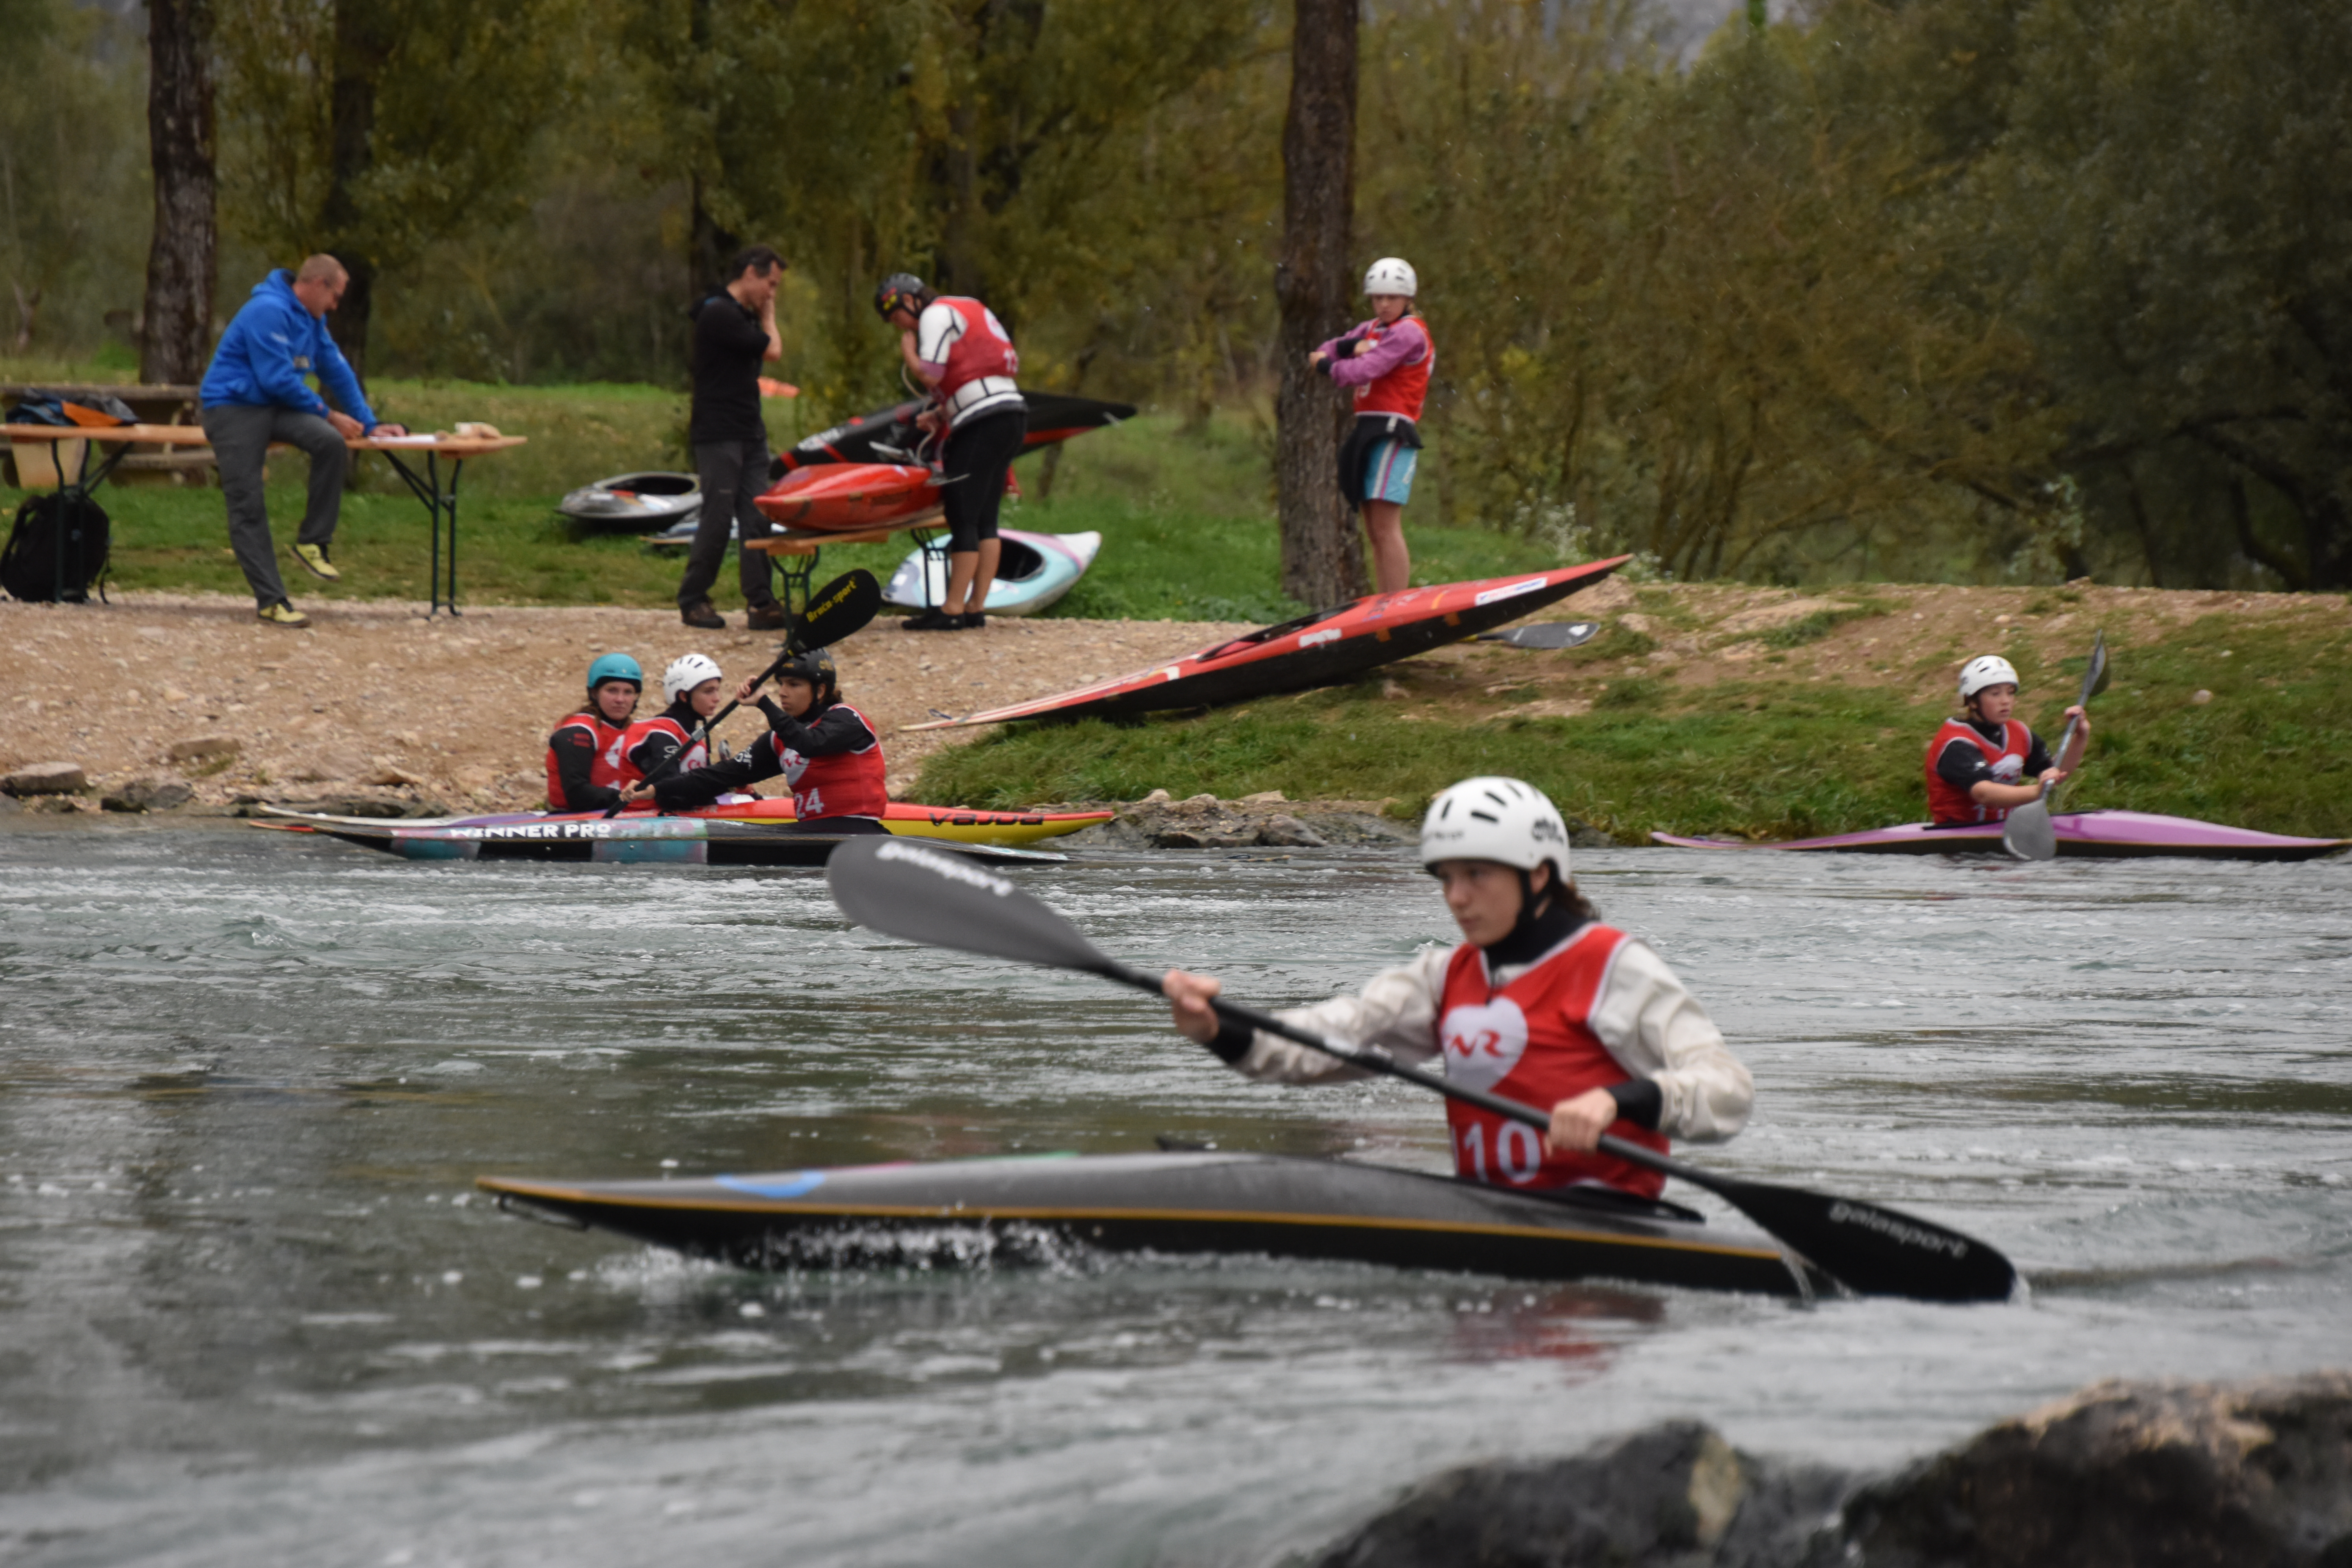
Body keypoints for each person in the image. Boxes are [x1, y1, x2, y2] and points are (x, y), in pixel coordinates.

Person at [1163, 777, 1751, 1202]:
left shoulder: (1612, 966)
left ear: (1540, 875)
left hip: (1606, 1215)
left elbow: (1727, 1091)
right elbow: (1332, 1040)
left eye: (1478, 874)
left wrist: (1618, 1102)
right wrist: (1220, 1028)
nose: (1457, 897)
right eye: (1447, 877)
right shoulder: (1444, 976)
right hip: (1489, 1207)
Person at [198, 254, 408, 628]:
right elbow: (276, 379)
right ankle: (271, 601)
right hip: (232, 407)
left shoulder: (313, 320)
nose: (336, 306)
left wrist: (370, 424)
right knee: (248, 502)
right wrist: (329, 413)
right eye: (335, 297)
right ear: (318, 285)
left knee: (330, 443)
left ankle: (313, 541)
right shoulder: (268, 311)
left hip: (273, 406)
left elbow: (338, 371)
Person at [874, 272, 1027, 632]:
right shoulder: (968, 306)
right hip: (1011, 413)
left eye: (898, 318)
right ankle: (975, 606)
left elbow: (931, 372)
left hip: (982, 422)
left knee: (962, 512)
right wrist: (942, 414)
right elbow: (974, 375)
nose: (902, 328)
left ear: (909, 301)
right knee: (986, 516)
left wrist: (910, 355)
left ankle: (953, 608)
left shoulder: (935, 313)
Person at [647, 648, 888, 832]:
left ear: (821, 691)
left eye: (794, 685)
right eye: (781, 684)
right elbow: (722, 775)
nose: (783, 692)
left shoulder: (848, 720)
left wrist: (764, 704)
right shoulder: (778, 740)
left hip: (858, 832)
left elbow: (809, 744)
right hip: (812, 834)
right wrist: (655, 789)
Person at [678, 245, 791, 633]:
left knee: (757, 514)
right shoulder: (719, 314)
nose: (771, 293)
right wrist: (769, 315)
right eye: (770, 284)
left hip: (750, 430)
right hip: (719, 432)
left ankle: (761, 601)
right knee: (718, 516)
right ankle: (694, 598)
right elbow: (773, 350)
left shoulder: (737, 316)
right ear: (750, 274)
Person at [1310, 257, 1434, 597]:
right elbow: (1329, 348)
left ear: (1407, 298)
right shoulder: (1372, 328)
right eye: (1378, 297)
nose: (1383, 304)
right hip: (1367, 426)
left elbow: (1363, 370)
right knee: (1373, 528)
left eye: (1392, 297)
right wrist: (1348, 348)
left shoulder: (1409, 331)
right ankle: (1384, 601)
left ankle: (1394, 605)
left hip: (1393, 430)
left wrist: (1328, 367)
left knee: (1385, 525)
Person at [1927, 655, 2091, 827]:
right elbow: (1983, 794)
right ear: (1973, 701)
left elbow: (2055, 773)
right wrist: (2037, 791)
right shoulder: (1957, 744)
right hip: (1957, 838)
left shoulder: (2018, 732)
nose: (2006, 701)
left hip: (2004, 830)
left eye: (2010, 692)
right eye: (1995, 694)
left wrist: (2080, 736)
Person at [545, 654, 642, 813]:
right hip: (573, 817)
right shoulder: (578, 731)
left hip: (614, 814)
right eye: (612, 690)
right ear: (595, 693)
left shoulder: (636, 730)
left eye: (628, 692)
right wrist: (637, 800)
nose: (620, 699)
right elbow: (578, 794)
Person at [615, 654, 724, 796]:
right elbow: (673, 794)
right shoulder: (659, 733)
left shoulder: (688, 732)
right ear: (684, 696)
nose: (717, 699)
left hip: (681, 813)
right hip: (648, 815)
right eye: (708, 691)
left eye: (717, 690)